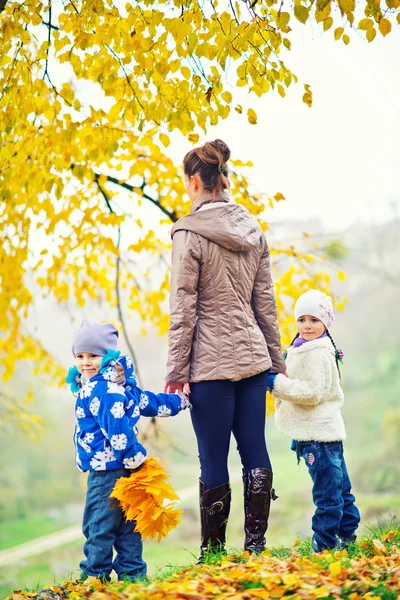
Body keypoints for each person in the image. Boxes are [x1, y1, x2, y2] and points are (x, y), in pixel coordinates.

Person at [164, 139, 286, 560]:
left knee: (212, 458)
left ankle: (213, 554)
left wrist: (176, 371)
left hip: (209, 367)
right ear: (225, 180)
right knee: (255, 449)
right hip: (253, 360)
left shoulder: (188, 233)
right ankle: (256, 547)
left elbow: (184, 306)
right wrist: (276, 362)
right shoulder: (254, 231)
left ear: (195, 181)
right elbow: (265, 302)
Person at [67, 320, 190, 581]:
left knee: (99, 523)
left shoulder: (101, 390)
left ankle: (94, 576)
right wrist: (180, 402)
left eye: (93, 356)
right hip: (124, 466)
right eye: (80, 356)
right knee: (128, 523)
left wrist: (136, 460)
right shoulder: (118, 386)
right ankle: (132, 575)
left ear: (108, 356)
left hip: (107, 471)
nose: (86, 362)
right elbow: (150, 402)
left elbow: (117, 432)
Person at [269, 289, 360, 552]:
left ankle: (325, 544)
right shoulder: (302, 347)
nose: (306, 326)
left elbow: (312, 392)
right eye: (302, 320)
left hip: (319, 437)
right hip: (324, 434)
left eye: (314, 320)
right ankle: (347, 534)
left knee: (327, 494)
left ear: (325, 323)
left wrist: (276, 384)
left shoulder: (318, 352)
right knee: (340, 488)